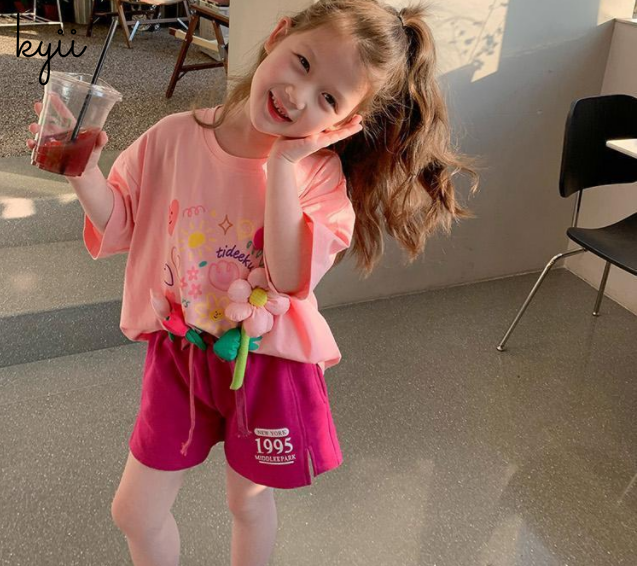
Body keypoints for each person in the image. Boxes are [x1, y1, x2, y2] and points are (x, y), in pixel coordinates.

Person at [27, 1, 479, 564]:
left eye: (329, 99)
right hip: (181, 354)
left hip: (267, 364)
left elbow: (287, 280)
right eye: (303, 62)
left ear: (346, 121)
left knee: (247, 500)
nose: (298, 95)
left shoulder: (317, 178)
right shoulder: (173, 137)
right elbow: (120, 222)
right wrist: (83, 170)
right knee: (135, 512)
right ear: (279, 35)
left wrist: (283, 166)